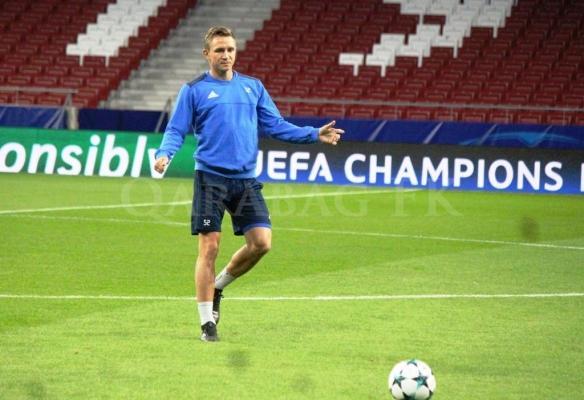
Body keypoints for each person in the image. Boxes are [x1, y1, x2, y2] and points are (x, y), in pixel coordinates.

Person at [154, 26, 344, 342]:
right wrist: (165, 154)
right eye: (219, 50)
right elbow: (176, 130)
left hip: (244, 180)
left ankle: (217, 287)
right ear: (207, 54)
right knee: (210, 246)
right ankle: (206, 323)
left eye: (230, 49)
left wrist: (313, 134)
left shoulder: (253, 87)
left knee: (261, 243)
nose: (226, 55)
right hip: (210, 178)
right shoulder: (194, 90)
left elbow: (276, 126)